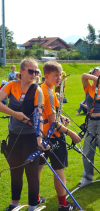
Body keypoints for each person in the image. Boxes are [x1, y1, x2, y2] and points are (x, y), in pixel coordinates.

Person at [0, 58, 46, 211]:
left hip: (30, 138)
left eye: (36, 71)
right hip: (14, 135)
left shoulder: (37, 90)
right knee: (15, 171)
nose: (34, 74)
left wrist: (39, 137)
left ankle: (33, 206)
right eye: (31, 71)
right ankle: (14, 204)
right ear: (21, 71)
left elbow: (39, 115)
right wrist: (15, 113)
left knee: (31, 173)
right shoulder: (11, 85)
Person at [38, 61, 82, 211]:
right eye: (56, 75)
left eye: (60, 75)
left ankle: (35, 199)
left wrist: (60, 118)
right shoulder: (48, 94)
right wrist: (71, 133)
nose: (59, 78)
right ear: (46, 76)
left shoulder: (41, 89)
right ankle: (63, 205)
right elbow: (52, 123)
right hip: (53, 136)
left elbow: (50, 116)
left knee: (37, 168)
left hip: (40, 136)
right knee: (59, 170)